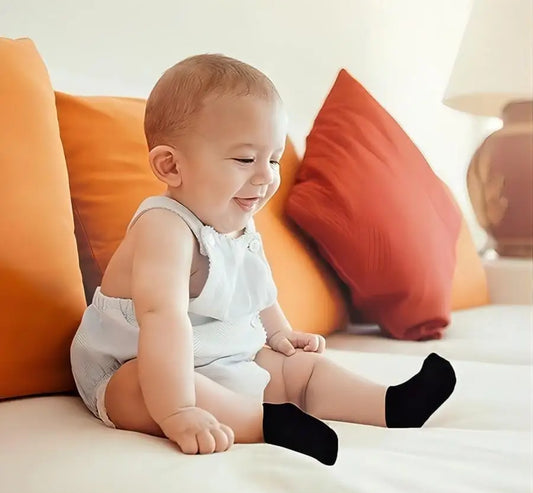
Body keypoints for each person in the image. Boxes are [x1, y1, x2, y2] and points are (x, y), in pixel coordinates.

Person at [70, 54, 456, 466]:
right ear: (171, 166)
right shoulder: (163, 227)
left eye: (273, 160)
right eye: (245, 159)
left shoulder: (236, 218)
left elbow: (256, 286)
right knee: (142, 385)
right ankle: (267, 424)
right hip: (134, 365)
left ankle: (390, 404)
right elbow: (162, 318)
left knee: (299, 369)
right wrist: (178, 410)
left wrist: (279, 334)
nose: (267, 176)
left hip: (220, 357)